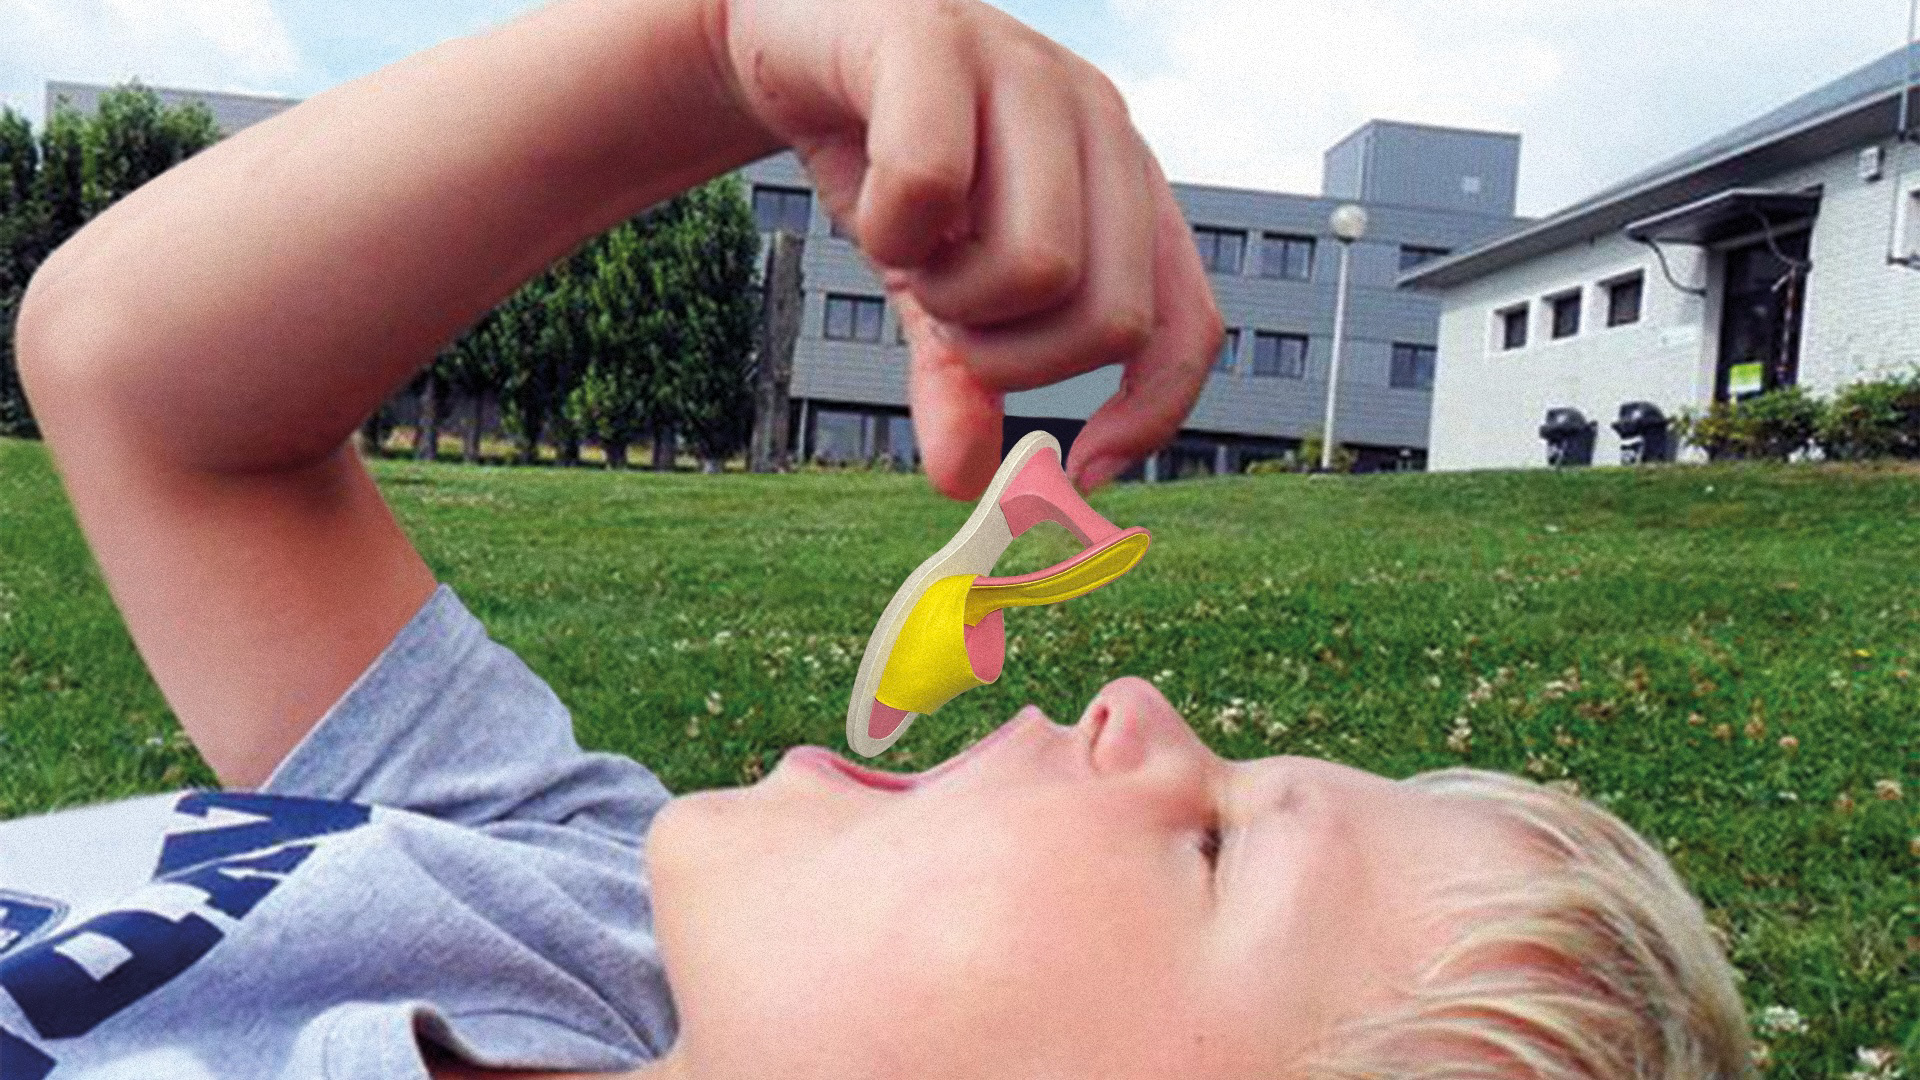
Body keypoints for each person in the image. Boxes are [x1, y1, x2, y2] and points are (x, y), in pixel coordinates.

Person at [6, 0, 1753, 1076]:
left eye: (1223, 846)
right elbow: (142, 389)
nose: (1138, 703)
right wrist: (719, 49)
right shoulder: (582, 911)